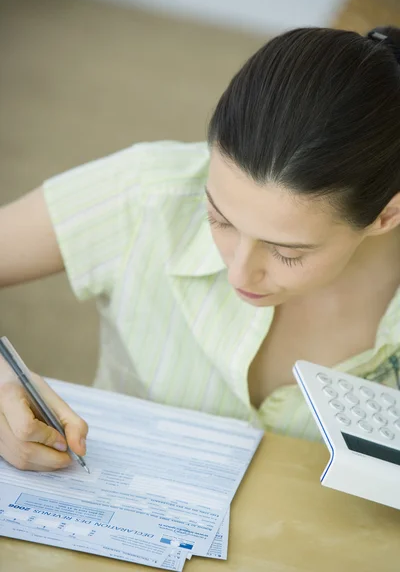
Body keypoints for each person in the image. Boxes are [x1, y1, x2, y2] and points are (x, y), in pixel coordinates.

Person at [1, 25, 400, 472]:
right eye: (219, 219)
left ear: (386, 215)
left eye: (288, 253)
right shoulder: (148, 195)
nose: (238, 275)